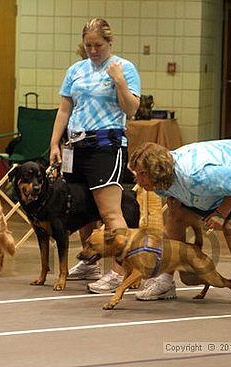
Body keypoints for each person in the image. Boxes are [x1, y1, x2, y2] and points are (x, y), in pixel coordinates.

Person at [49, 18, 141, 294]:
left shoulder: (124, 68)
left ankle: (120, 270)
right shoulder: (75, 70)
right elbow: (64, 109)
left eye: (98, 45)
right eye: (88, 45)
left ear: (109, 42)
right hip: (75, 146)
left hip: (106, 147)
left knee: (110, 211)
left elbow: (131, 109)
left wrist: (120, 82)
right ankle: (89, 262)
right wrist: (54, 143)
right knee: (83, 209)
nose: (92, 50)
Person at [129, 140, 231, 310]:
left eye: (142, 173)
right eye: (136, 173)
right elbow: (176, 194)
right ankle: (165, 281)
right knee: (175, 215)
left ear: (156, 169)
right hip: (209, 184)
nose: (138, 179)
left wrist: (221, 213)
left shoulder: (196, 175)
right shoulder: (158, 183)